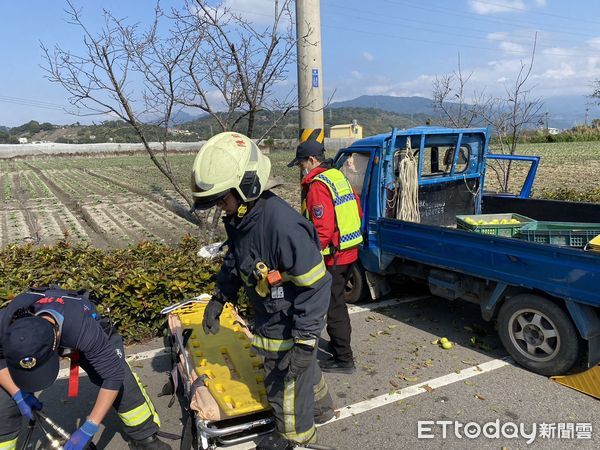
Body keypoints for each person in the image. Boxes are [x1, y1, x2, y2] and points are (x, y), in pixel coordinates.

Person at [191, 132, 335, 449]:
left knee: (286, 397)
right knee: (302, 373)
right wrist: (219, 297)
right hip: (271, 320)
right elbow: (236, 260)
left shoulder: (282, 227)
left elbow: (317, 286)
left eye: (222, 200)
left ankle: (298, 441)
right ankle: (323, 406)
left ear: (247, 186)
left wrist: (306, 342)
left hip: (288, 329)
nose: (220, 208)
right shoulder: (242, 219)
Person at [0, 286, 170, 450]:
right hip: (40, 340)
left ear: (57, 339)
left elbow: (113, 376)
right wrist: (18, 394)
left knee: (123, 380)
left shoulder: (82, 327)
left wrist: (90, 426)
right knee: (3, 400)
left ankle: (144, 437)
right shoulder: (4, 323)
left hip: (80, 329)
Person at [288, 140, 363, 375]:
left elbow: (323, 228)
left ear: (311, 160)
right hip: (350, 250)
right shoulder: (337, 177)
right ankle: (340, 346)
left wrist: (308, 256)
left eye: (301, 163)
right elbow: (357, 209)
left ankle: (344, 358)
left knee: (333, 306)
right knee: (338, 301)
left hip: (335, 256)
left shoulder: (319, 185)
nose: (302, 169)